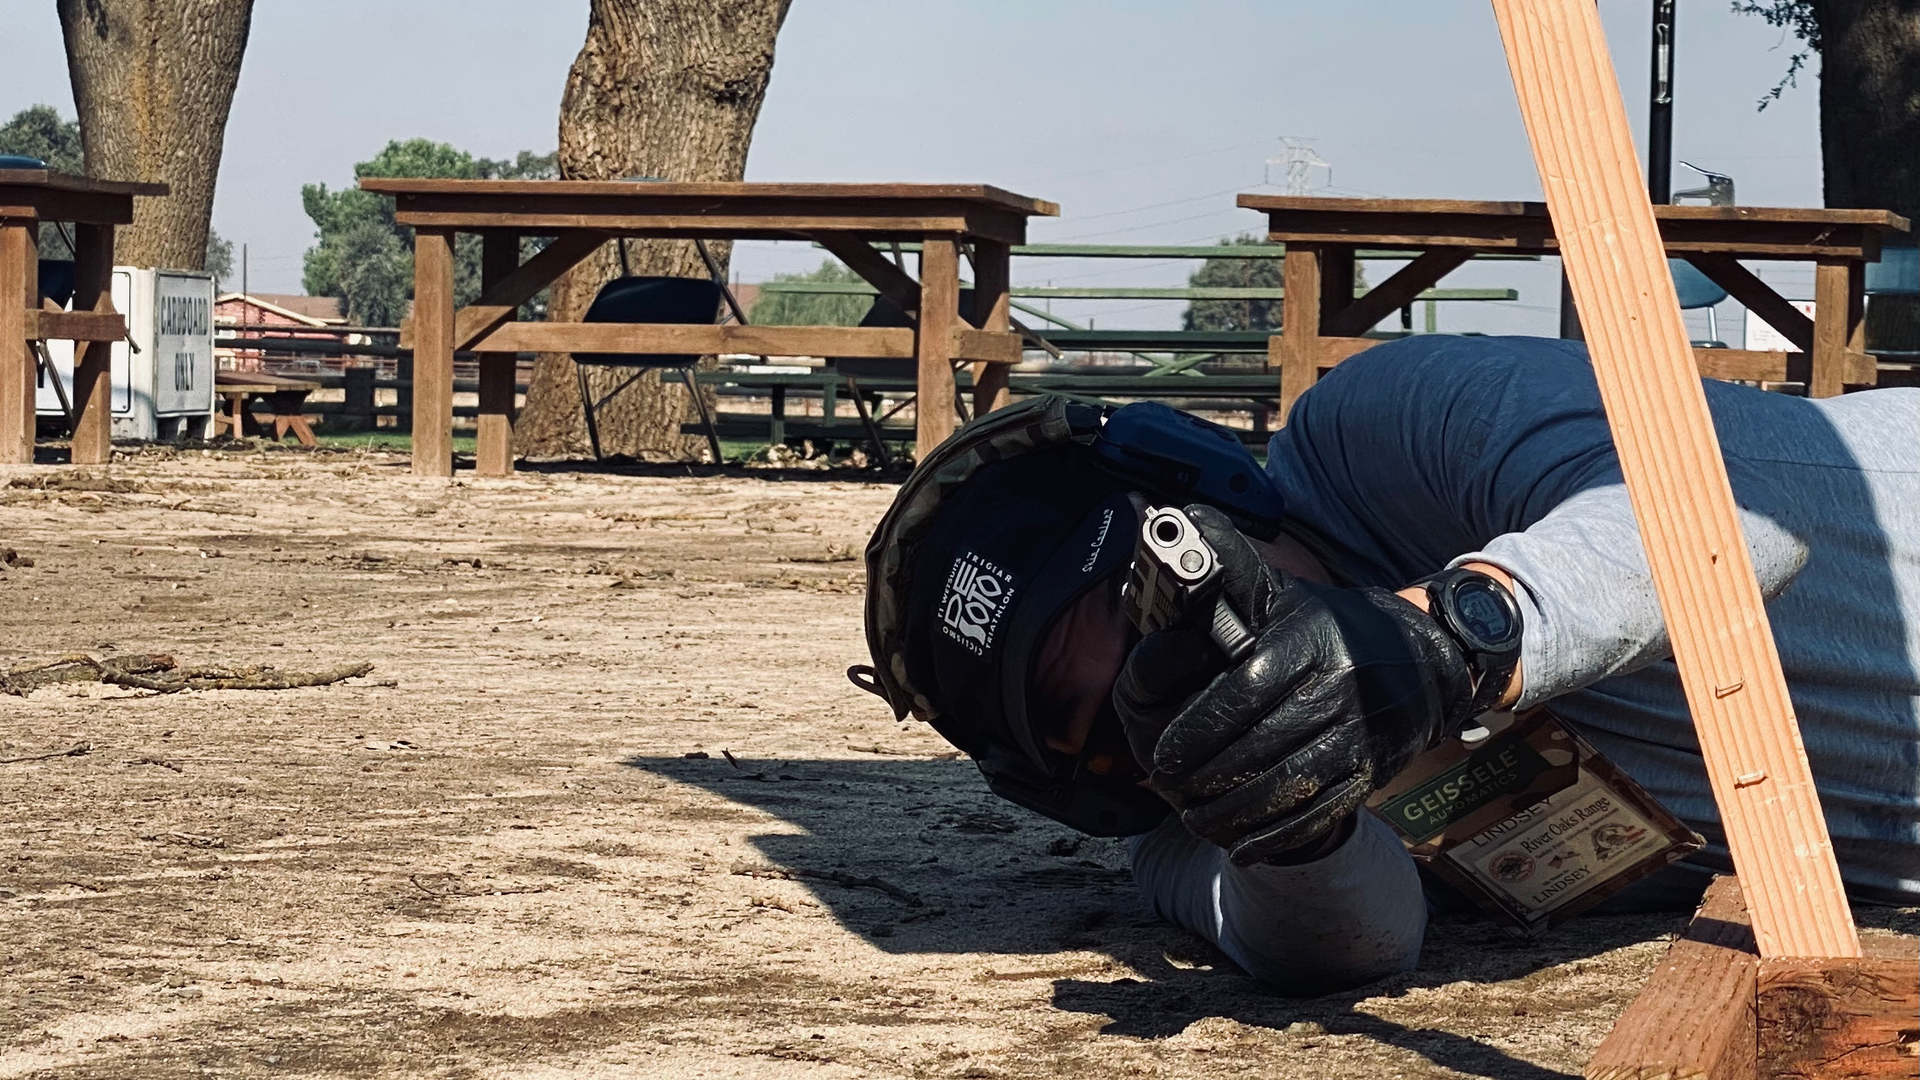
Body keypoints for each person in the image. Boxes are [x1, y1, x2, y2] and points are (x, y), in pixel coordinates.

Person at [852, 334, 1920, 994]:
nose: (1173, 675)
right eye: (1108, 726)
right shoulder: (1187, 821)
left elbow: (1739, 523)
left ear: (1201, 486)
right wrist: (1296, 824)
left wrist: (1443, 641)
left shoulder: (1386, 427)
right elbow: (1348, 946)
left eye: (1147, 604)